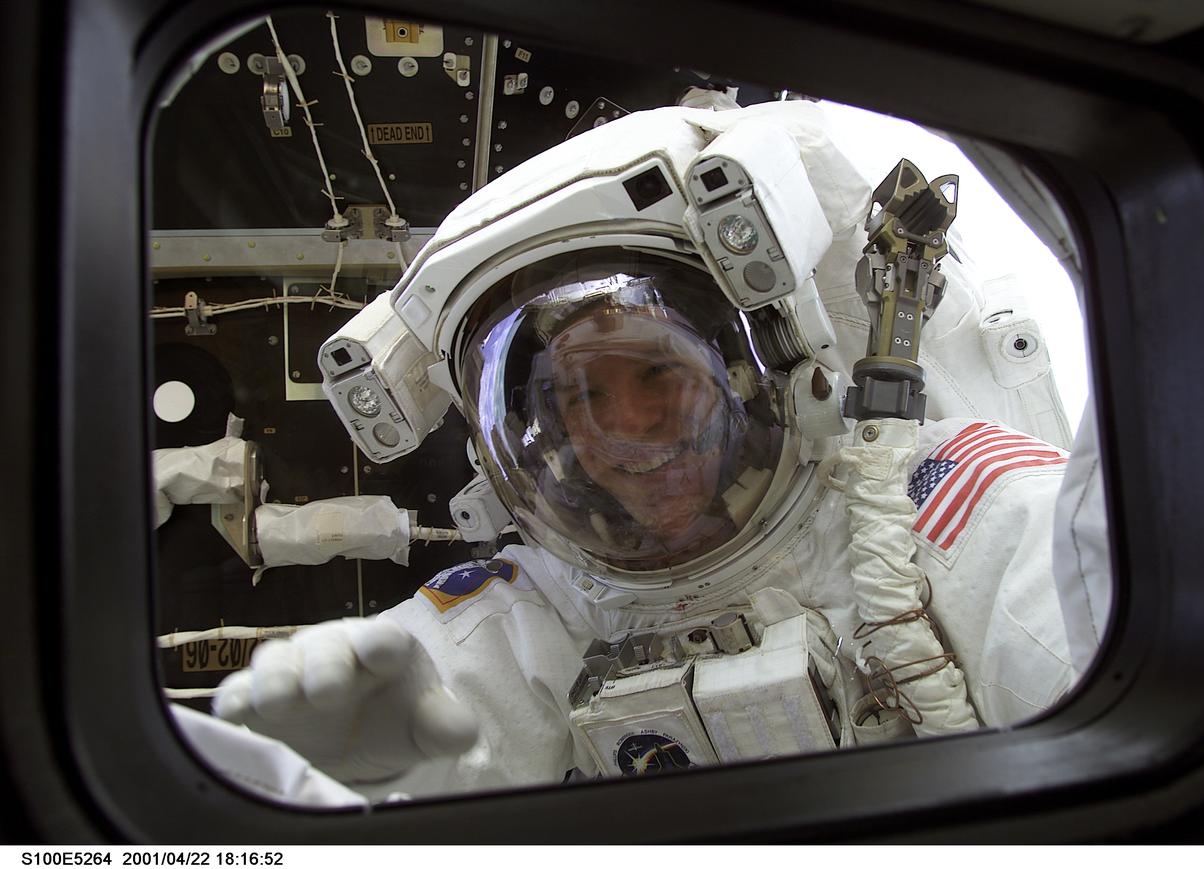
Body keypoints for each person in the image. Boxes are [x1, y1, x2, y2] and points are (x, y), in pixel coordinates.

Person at [211, 99, 1091, 801]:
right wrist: (332, 769)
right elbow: (438, 684)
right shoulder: (556, 604)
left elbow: (1079, 629)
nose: (622, 431)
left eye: (654, 374)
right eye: (577, 398)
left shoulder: (932, 505)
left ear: (753, 375)